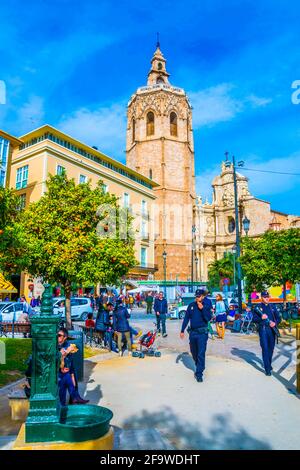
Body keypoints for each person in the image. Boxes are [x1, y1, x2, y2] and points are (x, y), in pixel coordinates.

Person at [180, 289, 213, 383]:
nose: (197, 298)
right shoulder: (191, 306)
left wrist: (202, 308)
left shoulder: (206, 306)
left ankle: (199, 373)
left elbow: (208, 318)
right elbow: (186, 318)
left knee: (201, 353)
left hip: (202, 333)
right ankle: (200, 365)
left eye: (199, 296)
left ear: (203, 297)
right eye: (196, 296)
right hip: (193, 333)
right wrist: (182, 330)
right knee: (194, 352)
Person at [58, 328, 89, 405]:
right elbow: (57, 358)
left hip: (66, 369)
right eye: (57, 335)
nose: (57, 337)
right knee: (65, 380)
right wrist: (65, 353)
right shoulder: (55, 345)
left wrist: (72, 375)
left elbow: (70, 361)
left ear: (65, 337)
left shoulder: (68, 345)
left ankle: (74, 398)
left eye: (59, 335)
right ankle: (74, 398)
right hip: (58, 370)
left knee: (70, 377)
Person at [253, 291, 280, 376]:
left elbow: (278, 318)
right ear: (262, 298)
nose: (267, 298)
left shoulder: (273, 306)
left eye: (267, 297)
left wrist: (275, 323)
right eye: (265, 297)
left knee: (271, 348)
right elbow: (254, 319)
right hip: (263, 330)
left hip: (272, 330)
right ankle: (267, 369)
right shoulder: (258, 307)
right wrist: (261, 318)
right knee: (265, 348)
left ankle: (268, 363)